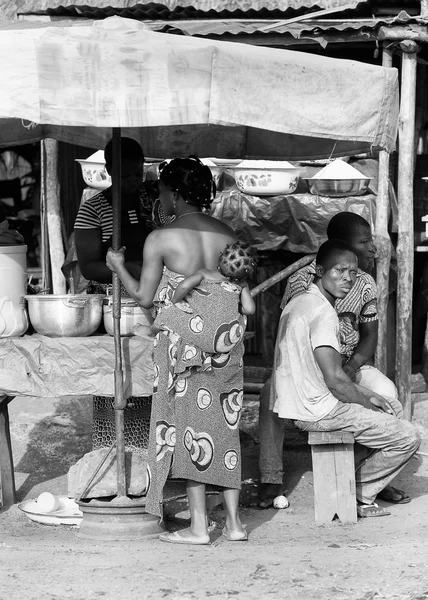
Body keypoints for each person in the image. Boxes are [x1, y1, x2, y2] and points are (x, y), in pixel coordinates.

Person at [106, 156, 251, 545]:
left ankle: (199, 528)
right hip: (226, 349)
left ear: (171, 194)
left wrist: (118, 265)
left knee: (188, 430)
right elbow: (237, 295)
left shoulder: (162, 238)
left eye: (163, 193)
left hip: (183, 348)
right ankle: (234, 525)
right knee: (225, 429)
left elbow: (144, 297)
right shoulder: (228, 235)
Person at [258, 211, 407, 508]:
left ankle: (368, 477)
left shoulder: (364, 283)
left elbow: (369, 337)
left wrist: (349, 370)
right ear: (340, 246)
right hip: (310, 368)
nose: (372, 249)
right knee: (269, 398)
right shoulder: (304, 282)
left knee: (389, 395)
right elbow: (292, 334)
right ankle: (270, 477)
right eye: (364, 242)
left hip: (349, 363)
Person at [74, 137, 169, 457]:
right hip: (117, 305)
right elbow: (88, 266)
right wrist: (130, 269)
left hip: (157, 302)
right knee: (116, 381)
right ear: (109, 170)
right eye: (126, 174)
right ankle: (112, 452)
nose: (133, 180)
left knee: (154, 378)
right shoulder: (94, 208)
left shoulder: (153, 200)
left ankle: (152, 455)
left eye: (138, 173)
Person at [144, 240, 257, 339]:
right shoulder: (242, 285)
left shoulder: (205, 273)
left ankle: (149, 331)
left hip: (201, 332)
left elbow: (184, 286)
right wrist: (232, 307)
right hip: (224, 337)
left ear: (220, 258)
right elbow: (250, 310)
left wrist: (176, 301)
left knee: (168, 313)